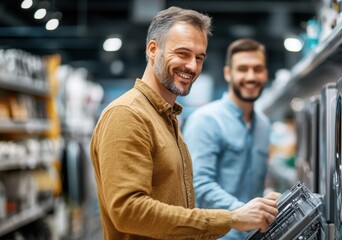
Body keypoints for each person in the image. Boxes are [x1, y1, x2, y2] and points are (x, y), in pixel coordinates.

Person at [90, 6, 280, 240]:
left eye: (199, 57)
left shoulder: (167, 119)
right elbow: (128, 211)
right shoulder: (127, 115)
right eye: (182, 53)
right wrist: (231, 218)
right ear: (153, 49)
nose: (192, 66)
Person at [182, 38, 272, 240]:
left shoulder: (264, 126)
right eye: (242, 69)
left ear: (265, 74)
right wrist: (244, 211)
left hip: (256, 235)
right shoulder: (205, 120)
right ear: (228, 73)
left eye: (257, 69)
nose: (251, 76)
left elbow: (252, 185)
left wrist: (267, 201)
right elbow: (199, 184)